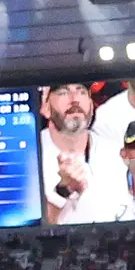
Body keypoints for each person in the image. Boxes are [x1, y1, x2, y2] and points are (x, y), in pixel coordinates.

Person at [35, 83, 111, 226]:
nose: (75, 99)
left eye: (81, 92)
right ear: (45, 107)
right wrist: (64, 190)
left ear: (91, 106)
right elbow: (28, 231)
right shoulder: (28, 154)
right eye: (63, 93)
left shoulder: (114, 153)